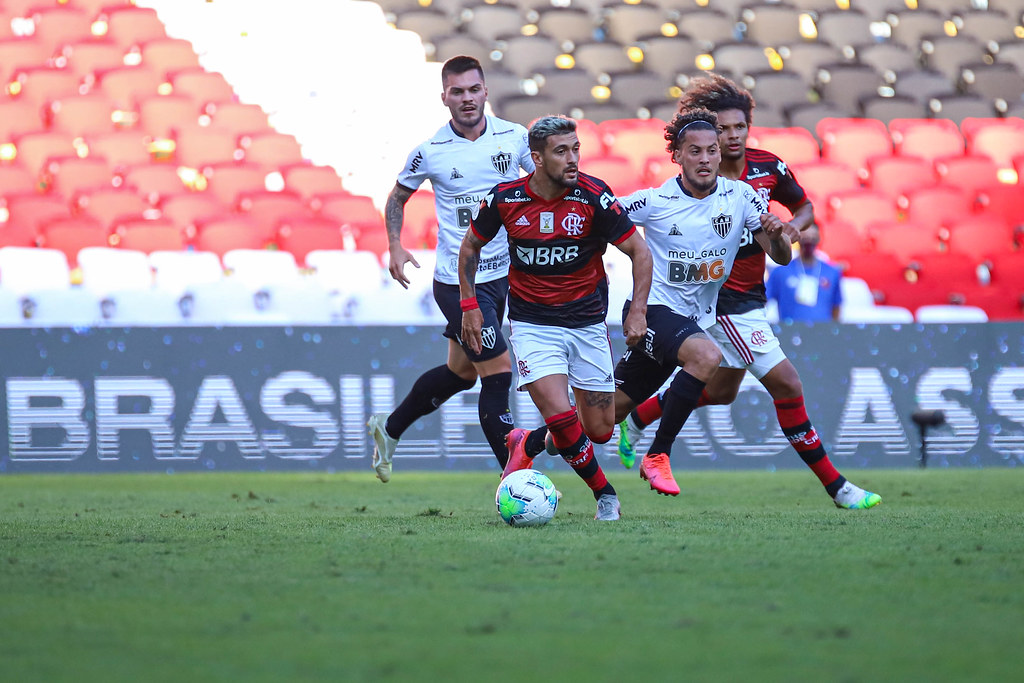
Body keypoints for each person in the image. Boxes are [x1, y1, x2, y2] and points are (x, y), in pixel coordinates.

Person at [618, 74, 881, 510]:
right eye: (722, 130)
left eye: (739, 128)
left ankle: (639, 416)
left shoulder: (763, 173)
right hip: (721, 303)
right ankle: (838, 488)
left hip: (750, 295)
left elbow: (802, 212)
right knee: (787, 384)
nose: (731, 137)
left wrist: (789, 231)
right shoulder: (695, 175)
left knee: (722, 391)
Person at [459, 115, 653, 521]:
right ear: (537, 158)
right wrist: (469, 306)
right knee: (561, 415)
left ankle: (527, 444)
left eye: (576, 149)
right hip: (533, 325)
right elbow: (470, 249)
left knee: (598, 429)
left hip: (586, 323)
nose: (572, 159)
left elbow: (640, 251)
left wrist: (637, 310)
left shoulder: (594, 196)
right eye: (561, 151)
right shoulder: (505, 199)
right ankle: (606, 495)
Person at [367, 55, 534, 483]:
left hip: (507, 275)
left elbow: (544, 188)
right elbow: (397, 197)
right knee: (497, 375)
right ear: (444, 97)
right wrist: (394, 245)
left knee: (461, 373)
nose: (466, 99)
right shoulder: (431, 151)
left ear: (485, 92)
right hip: (459, 283)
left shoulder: (514, 139)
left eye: (473, 90)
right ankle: (514, 482)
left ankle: (389, 429)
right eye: (456, 91)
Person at [612, 109, 791, 496]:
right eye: (695, 151)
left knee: (606, 414)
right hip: (652, 314)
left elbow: (781, 256)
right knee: (707, 356)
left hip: (689, 320)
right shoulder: (655, 201)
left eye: (712, 151)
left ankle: (526, 445)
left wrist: (777, 236)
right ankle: (658, 454)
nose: (706, 159)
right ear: (677, 155)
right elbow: (600, 218)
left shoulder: (740, 196)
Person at [766, 227, 842, 322]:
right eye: (805, 238)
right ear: (798, 239)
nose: (809, 242)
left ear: (819, 239)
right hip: (790, 331)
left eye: (813, 238)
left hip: (823, 332)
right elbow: (764, 301)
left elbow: (836, 306)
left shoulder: (832, 272)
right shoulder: (780, 272)